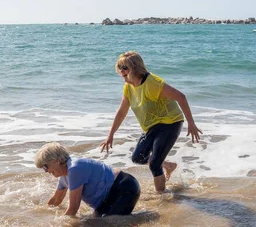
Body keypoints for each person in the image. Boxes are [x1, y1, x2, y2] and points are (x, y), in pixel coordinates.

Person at [100, 51, 202, 192]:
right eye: (120, 67)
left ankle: (162, 198)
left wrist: (191, 123)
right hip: (152, 126)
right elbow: (122, 112)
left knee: (154, 165)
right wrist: (110, 135)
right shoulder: (128, 86)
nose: (121, 71)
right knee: (138, 157)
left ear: (135, 68)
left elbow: (181, 97)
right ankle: (168, 165)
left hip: (170, 123)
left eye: (125, 67)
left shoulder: (152, 83)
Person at [35, 142, 140, 217]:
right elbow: (56, 200)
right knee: (97, 222)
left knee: (110, 224)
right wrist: (42, 215)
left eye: (45, 166)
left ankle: (145, 218)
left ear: (56, 161)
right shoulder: (64, 175)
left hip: (123, 188)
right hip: (105, 200)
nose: (46, 171)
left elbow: (73, 209)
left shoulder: (75, 168)